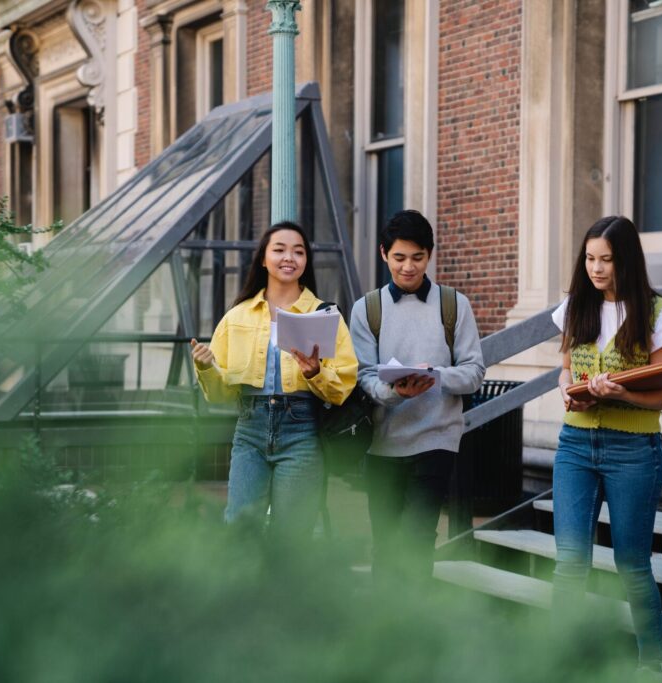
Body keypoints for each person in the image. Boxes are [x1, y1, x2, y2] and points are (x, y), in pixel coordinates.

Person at [550, 215, 662, 676]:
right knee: (570, 561)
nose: (596, 268)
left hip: (634, 450)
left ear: (625, 260)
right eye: (589, 259)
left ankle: (654, 665)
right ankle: (559, 660)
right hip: (575, 445)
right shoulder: (575, 307)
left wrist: (622, 392)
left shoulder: (657, 313)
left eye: (606, 260)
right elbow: (565, 369)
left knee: (632, 563)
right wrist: (567, 387)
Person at [190, 221, 358, 536]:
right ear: (263, 259)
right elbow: (221, 394)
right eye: (279, 250)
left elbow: (343, 387)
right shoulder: (237, 316)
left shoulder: (323, 314)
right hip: (249, 431)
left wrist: (315, 373)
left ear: (306, 261)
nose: (288, 258)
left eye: (298, 251)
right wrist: (206, 368)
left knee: (292, 535)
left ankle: (285, 587)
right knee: (239, 527)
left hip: (302, 432)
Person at [349, 210, 485, 585]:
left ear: (430, 255)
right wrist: (394, 392)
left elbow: (474, 372)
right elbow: (363, 376)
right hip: (382, 443)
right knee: (386, 545)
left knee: (418, 540)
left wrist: (435, 376)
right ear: (383, 254)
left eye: (417, 257)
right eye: (399, 257)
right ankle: (388, 632)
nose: (408, 267)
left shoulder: (454, 305)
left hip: (436, 438)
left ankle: (415, 632)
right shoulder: (367, 309)